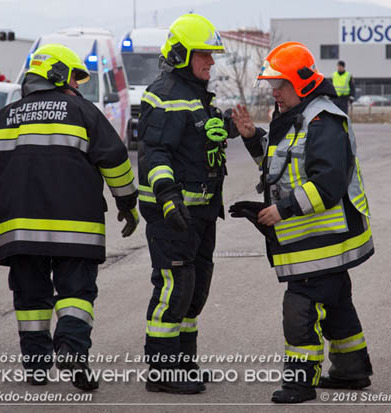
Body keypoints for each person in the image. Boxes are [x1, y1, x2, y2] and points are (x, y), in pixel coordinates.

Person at [0, 44, 139, 391]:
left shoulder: (1, 119)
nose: (77, 86)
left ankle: (36, 368)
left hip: (18, 230)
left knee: (30, 298)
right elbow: (115, 160)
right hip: (76, 226)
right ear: (58, 76)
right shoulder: (84, 112)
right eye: (75, 78)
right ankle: (71, 349)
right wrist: (127, 203)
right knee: (76, 292)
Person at [229, 42, 374, 403]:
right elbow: (281, 165)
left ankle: (299, 383)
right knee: (337, 302)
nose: (273, 91)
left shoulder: (323, 121)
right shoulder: (302, 117)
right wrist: (251, 138)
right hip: (322, 241)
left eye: (280, 84)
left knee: (300, 307)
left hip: (321, 241)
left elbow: (327, 183)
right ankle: (351, 370)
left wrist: (283, 209)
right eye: (272, 84)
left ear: (303, 84)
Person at [137, 13, 237, 394]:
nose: (211, 63)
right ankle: (162, 372)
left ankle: (183, 364)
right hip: (173, 214)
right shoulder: (164, 94)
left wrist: (225, 127)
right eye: (204, 55)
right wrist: (167, 198)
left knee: (194, 289)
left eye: (212, 56)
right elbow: (156, 154)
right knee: (173, 288)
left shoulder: (194, 95)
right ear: (181, 55)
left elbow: (196, 138)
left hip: (201, 213)